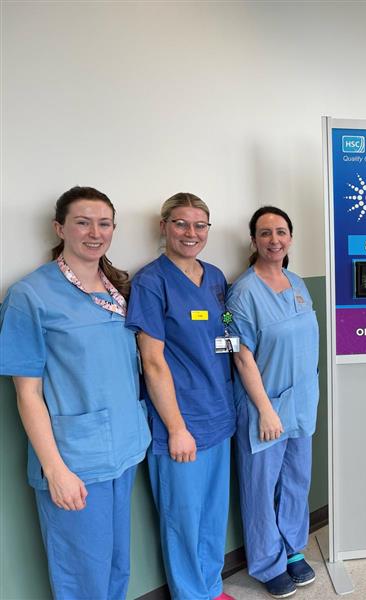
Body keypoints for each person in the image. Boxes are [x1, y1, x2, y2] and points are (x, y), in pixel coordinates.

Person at [0, 186, 150, 598]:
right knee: (83, 576)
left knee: (117, 565)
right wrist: (55, 470)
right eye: (82, 222)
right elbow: (27, 393)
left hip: (123, 447)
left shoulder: (116, 289)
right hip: (75, 460)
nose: (94, 232)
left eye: (104, 223)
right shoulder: (30, 296)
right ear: (59, 228)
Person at [126, 193, 236, 600]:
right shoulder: (151, 282)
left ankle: (211, 586)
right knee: (183, 518)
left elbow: (225, 334)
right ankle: (192, 595)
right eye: (181, 224)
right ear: (164, 226)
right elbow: (152, 362)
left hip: (218, 413)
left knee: (211, 513)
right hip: (181, 420)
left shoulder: (216, 278)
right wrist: (175, 428)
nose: (191, 233)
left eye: (200, 225)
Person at [226, 206, 319, 599]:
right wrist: (264, 408)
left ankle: (293, 549)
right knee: (261, 487)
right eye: (265, 233)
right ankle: (267, 561)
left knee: (296, 480)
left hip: (301, 402)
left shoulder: (297, 282)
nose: (274, 240)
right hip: (263, 405)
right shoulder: (242, 292)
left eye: (281, 232)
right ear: (254, 241)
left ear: (291, 238)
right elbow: (240, 355)